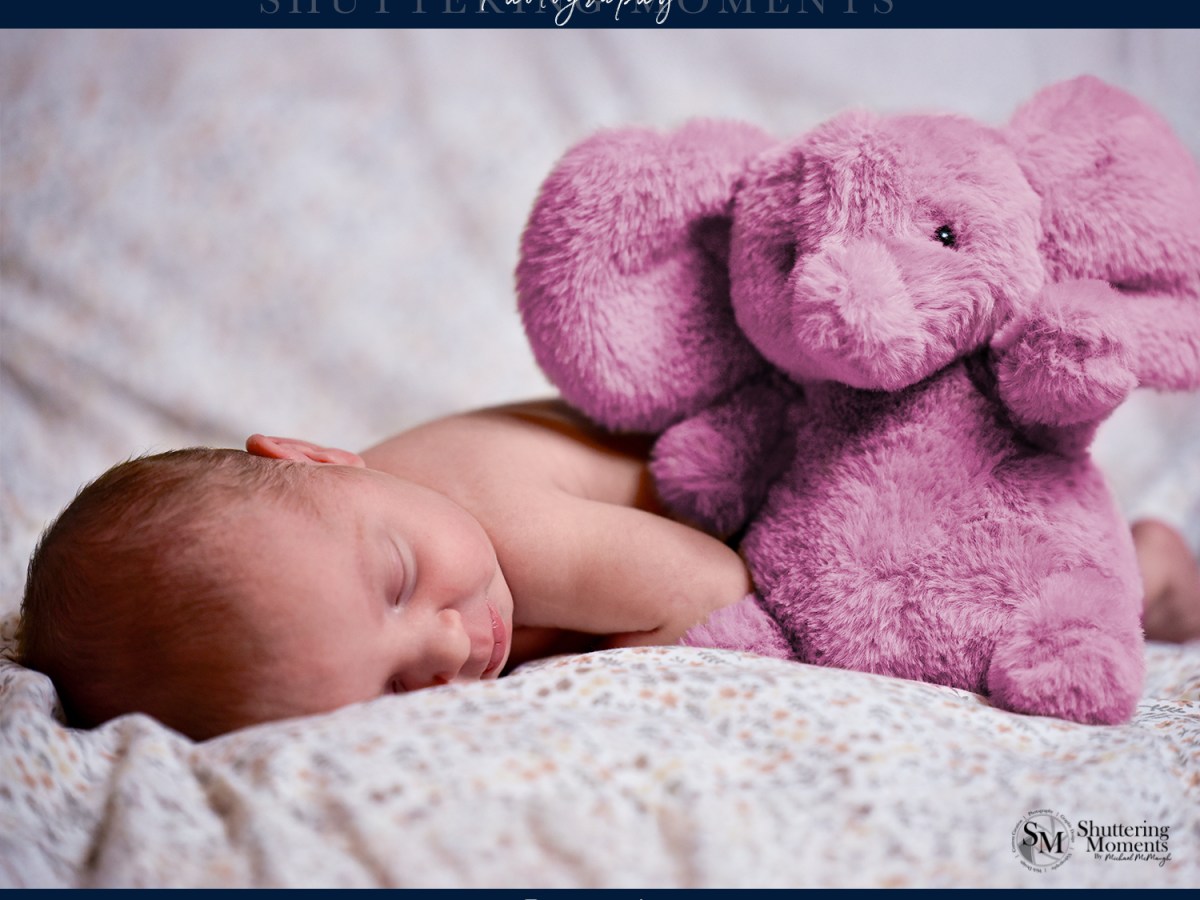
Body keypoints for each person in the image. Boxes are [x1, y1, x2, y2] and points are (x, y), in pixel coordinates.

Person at [18, 399, 1200, 742]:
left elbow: (715, 591)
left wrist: (574, 674)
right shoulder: (384, 537)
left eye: (393, 585)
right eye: (388, 694)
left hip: (854, 468)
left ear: (317, 453)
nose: (441, 645)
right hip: (790, 494)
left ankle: (1129, 565)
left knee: (952, 600)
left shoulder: (507, 533)